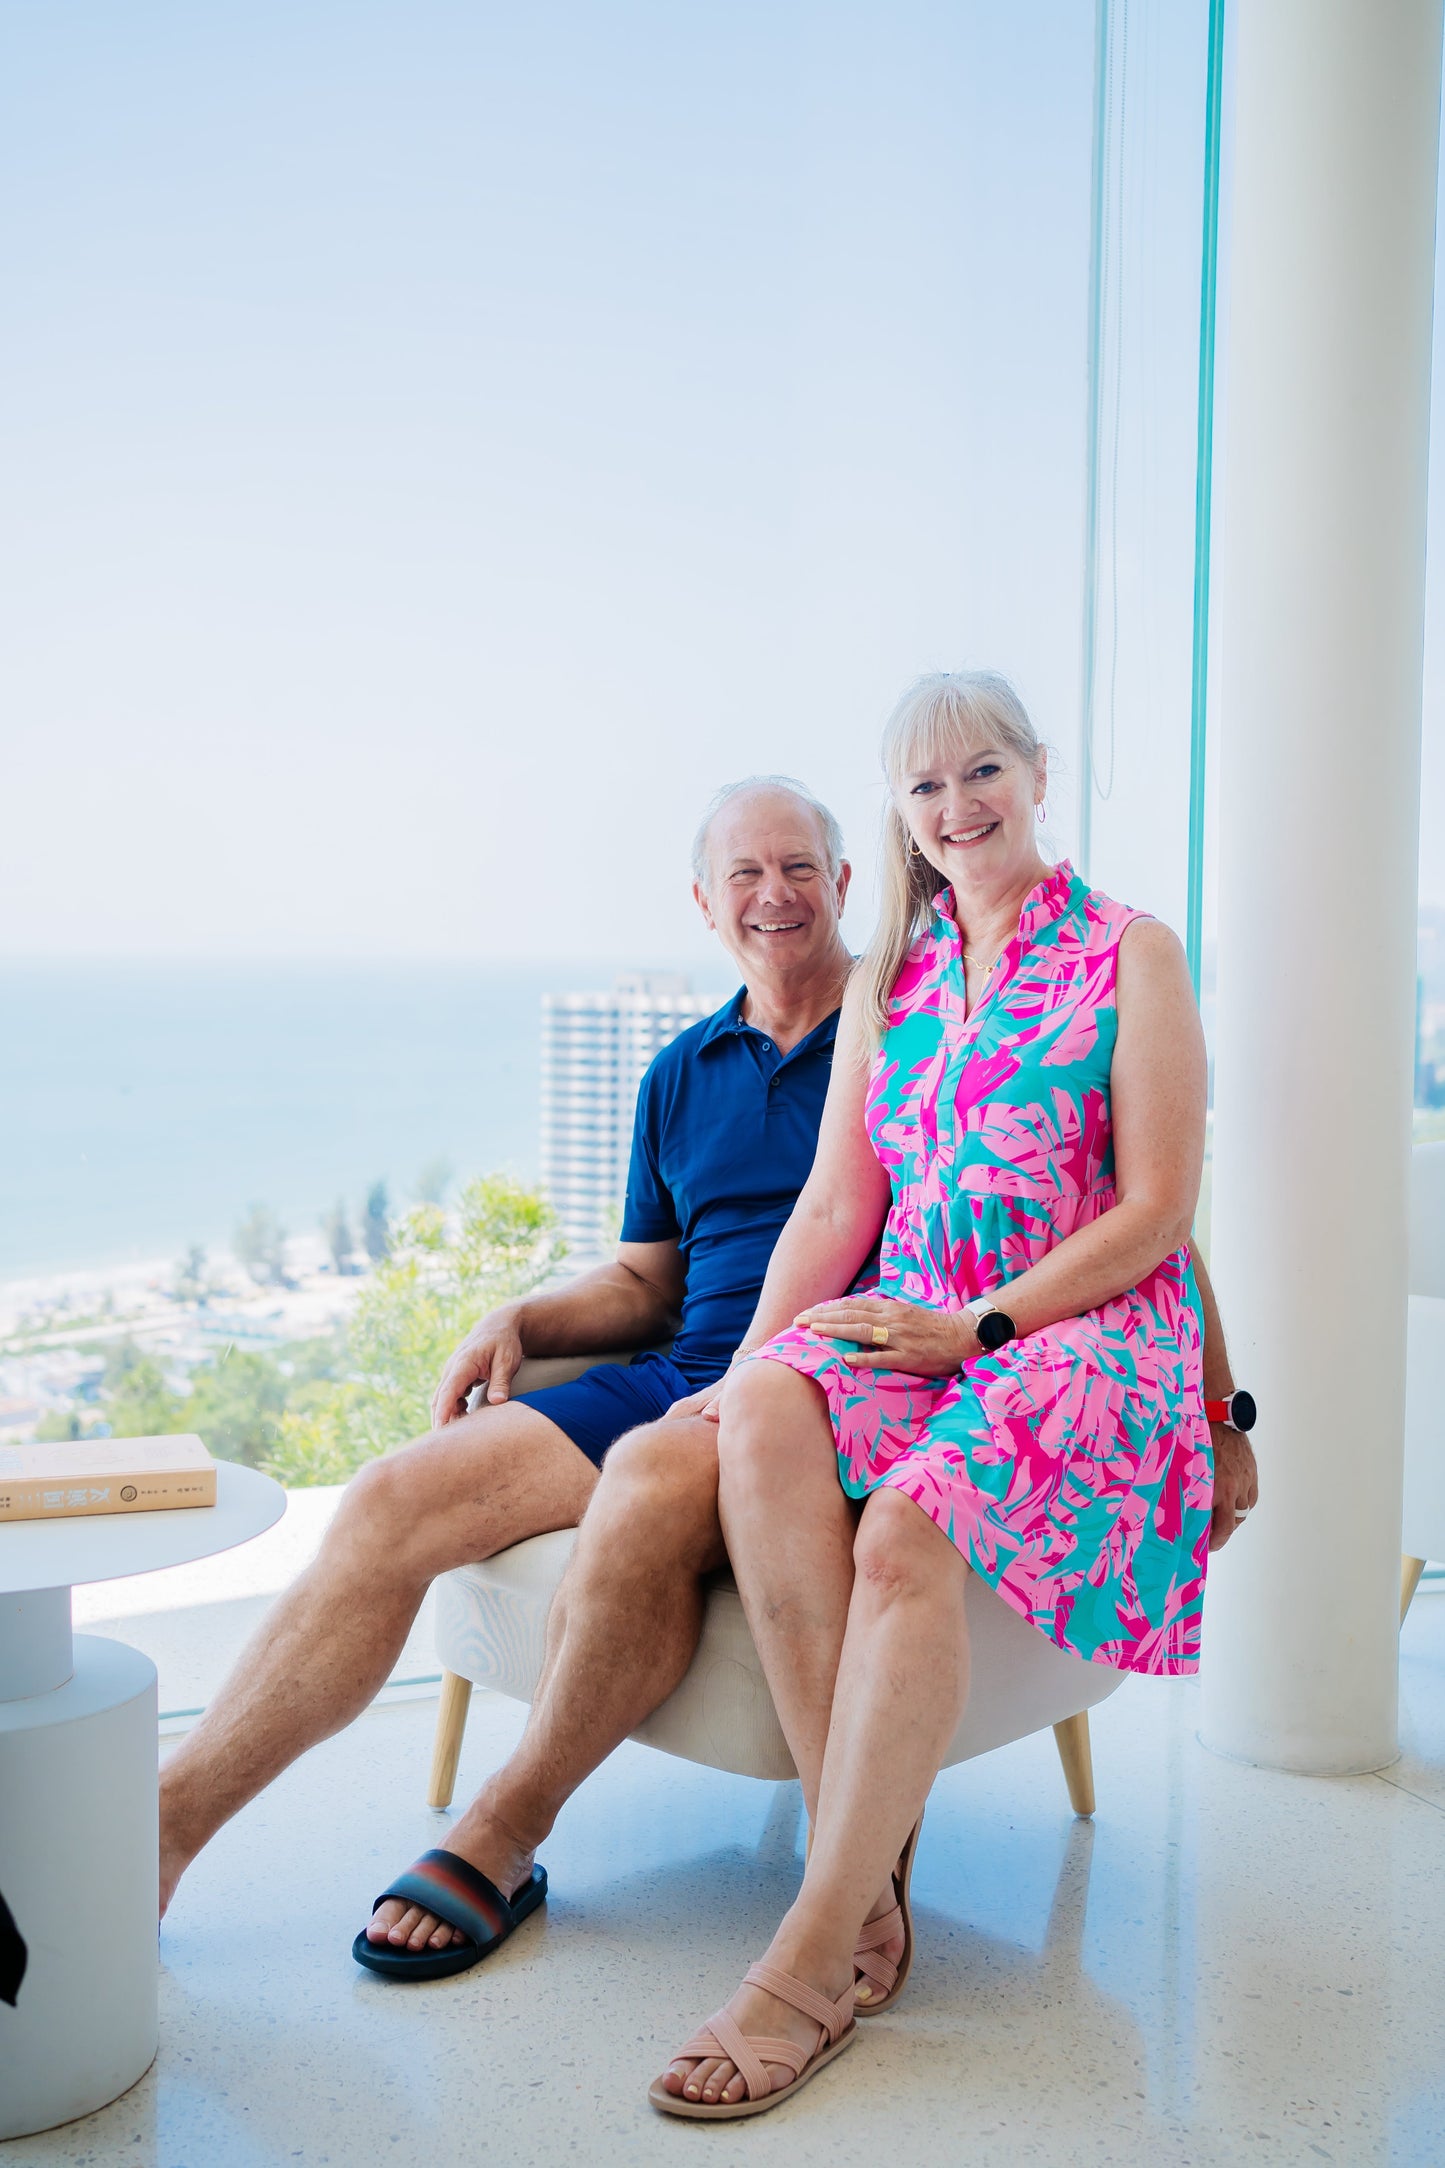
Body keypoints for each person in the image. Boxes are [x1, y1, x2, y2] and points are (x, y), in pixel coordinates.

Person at [653, 670, 1240, 2120]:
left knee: (904, 1534)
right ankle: (865, 1890)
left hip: (1079, 1324)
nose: (955, 807)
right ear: (899, 816)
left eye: (980, 773)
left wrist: (973, 1331)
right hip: (910, 1307)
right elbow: (835, 1200)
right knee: (773, 1413)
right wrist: (731, 1379)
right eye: (923, 788)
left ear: (1038, 775)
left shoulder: (1130, 951)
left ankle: (805, 1958)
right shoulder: (891, 981)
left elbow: (1160, 1206)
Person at [156, 775, 855, 1927]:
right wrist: (522, 1319)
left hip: (813, 1398)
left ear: (841, 882)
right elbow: (647, 1280)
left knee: (647, 1484)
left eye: (796, 868)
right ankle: (165, 1830)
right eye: (744, 873)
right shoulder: (680, 1072)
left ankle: (500, 1830)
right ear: (703, 901)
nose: (772, 894)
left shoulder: (911, 1040)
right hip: (683, 1377)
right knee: (386, 1500)